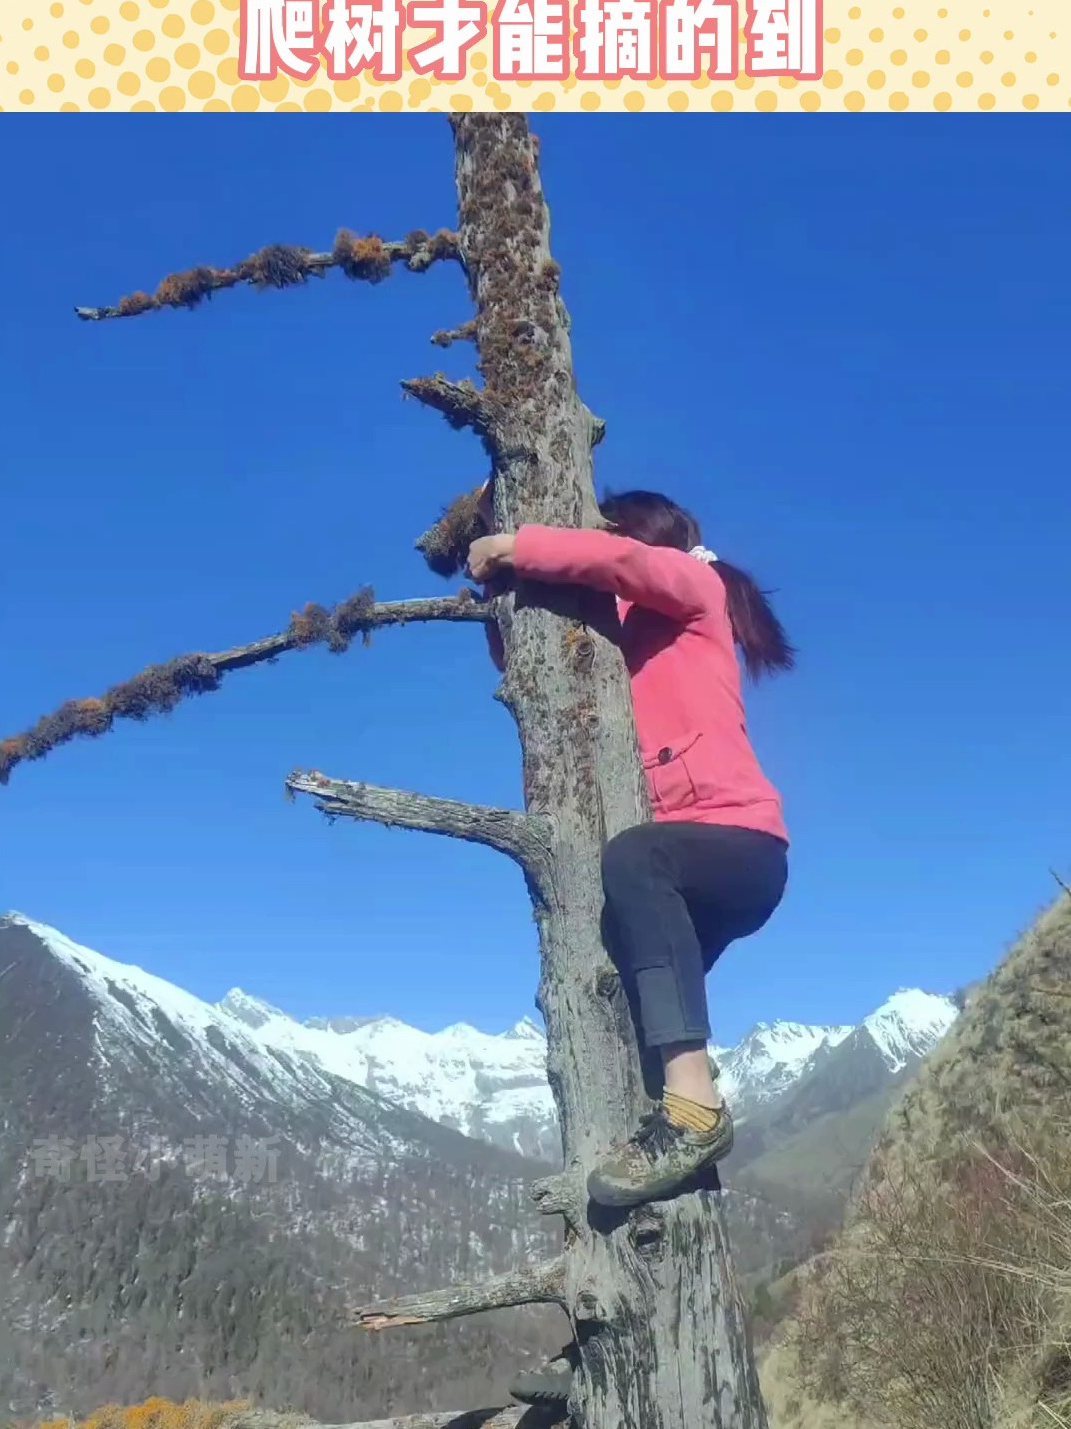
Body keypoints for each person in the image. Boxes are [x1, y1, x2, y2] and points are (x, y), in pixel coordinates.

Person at [467, 491, 794, 1408]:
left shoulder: (689, 585)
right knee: (623, 1037)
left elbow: (618, 566)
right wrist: (506, 596)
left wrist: (521, 541)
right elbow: (543, 645)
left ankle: (694, 1112)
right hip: (685, 871)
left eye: (603, 534)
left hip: (733, 847)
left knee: (634, 856)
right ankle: (602, 1326)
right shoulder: (624, 629)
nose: (594, 547)